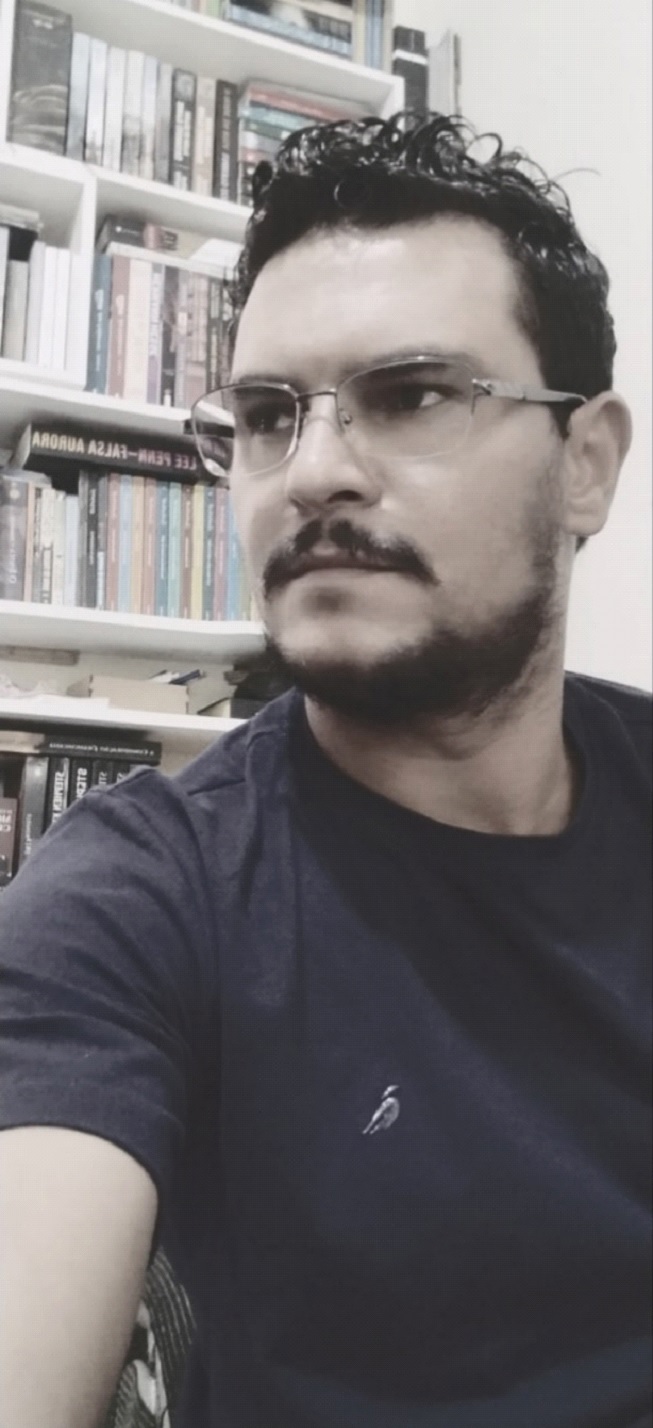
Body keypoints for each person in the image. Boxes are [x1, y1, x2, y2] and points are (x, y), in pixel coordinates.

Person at [0, 110, 651, 1428]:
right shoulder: (137, 896)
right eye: (264, 415)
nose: (311, 473)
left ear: (584, 464)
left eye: (411, 397)